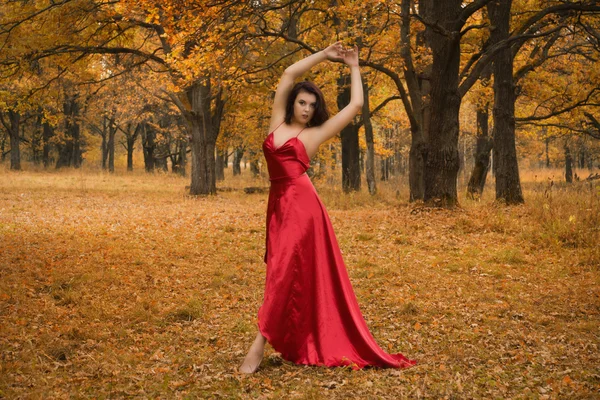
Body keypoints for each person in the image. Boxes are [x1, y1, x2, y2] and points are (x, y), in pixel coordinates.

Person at [239, 42, 416, 374]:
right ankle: (292, 335)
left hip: (303, 208)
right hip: (278, 205)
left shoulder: (315, 133)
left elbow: (357, 103)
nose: (306, 109)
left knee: (281, 275)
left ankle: (258, 345)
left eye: (312, 105)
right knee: (283, 271)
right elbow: (290, 72)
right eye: (302, 102)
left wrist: (353, 66)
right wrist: (325, 54)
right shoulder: (276, 122)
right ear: (292, 102)